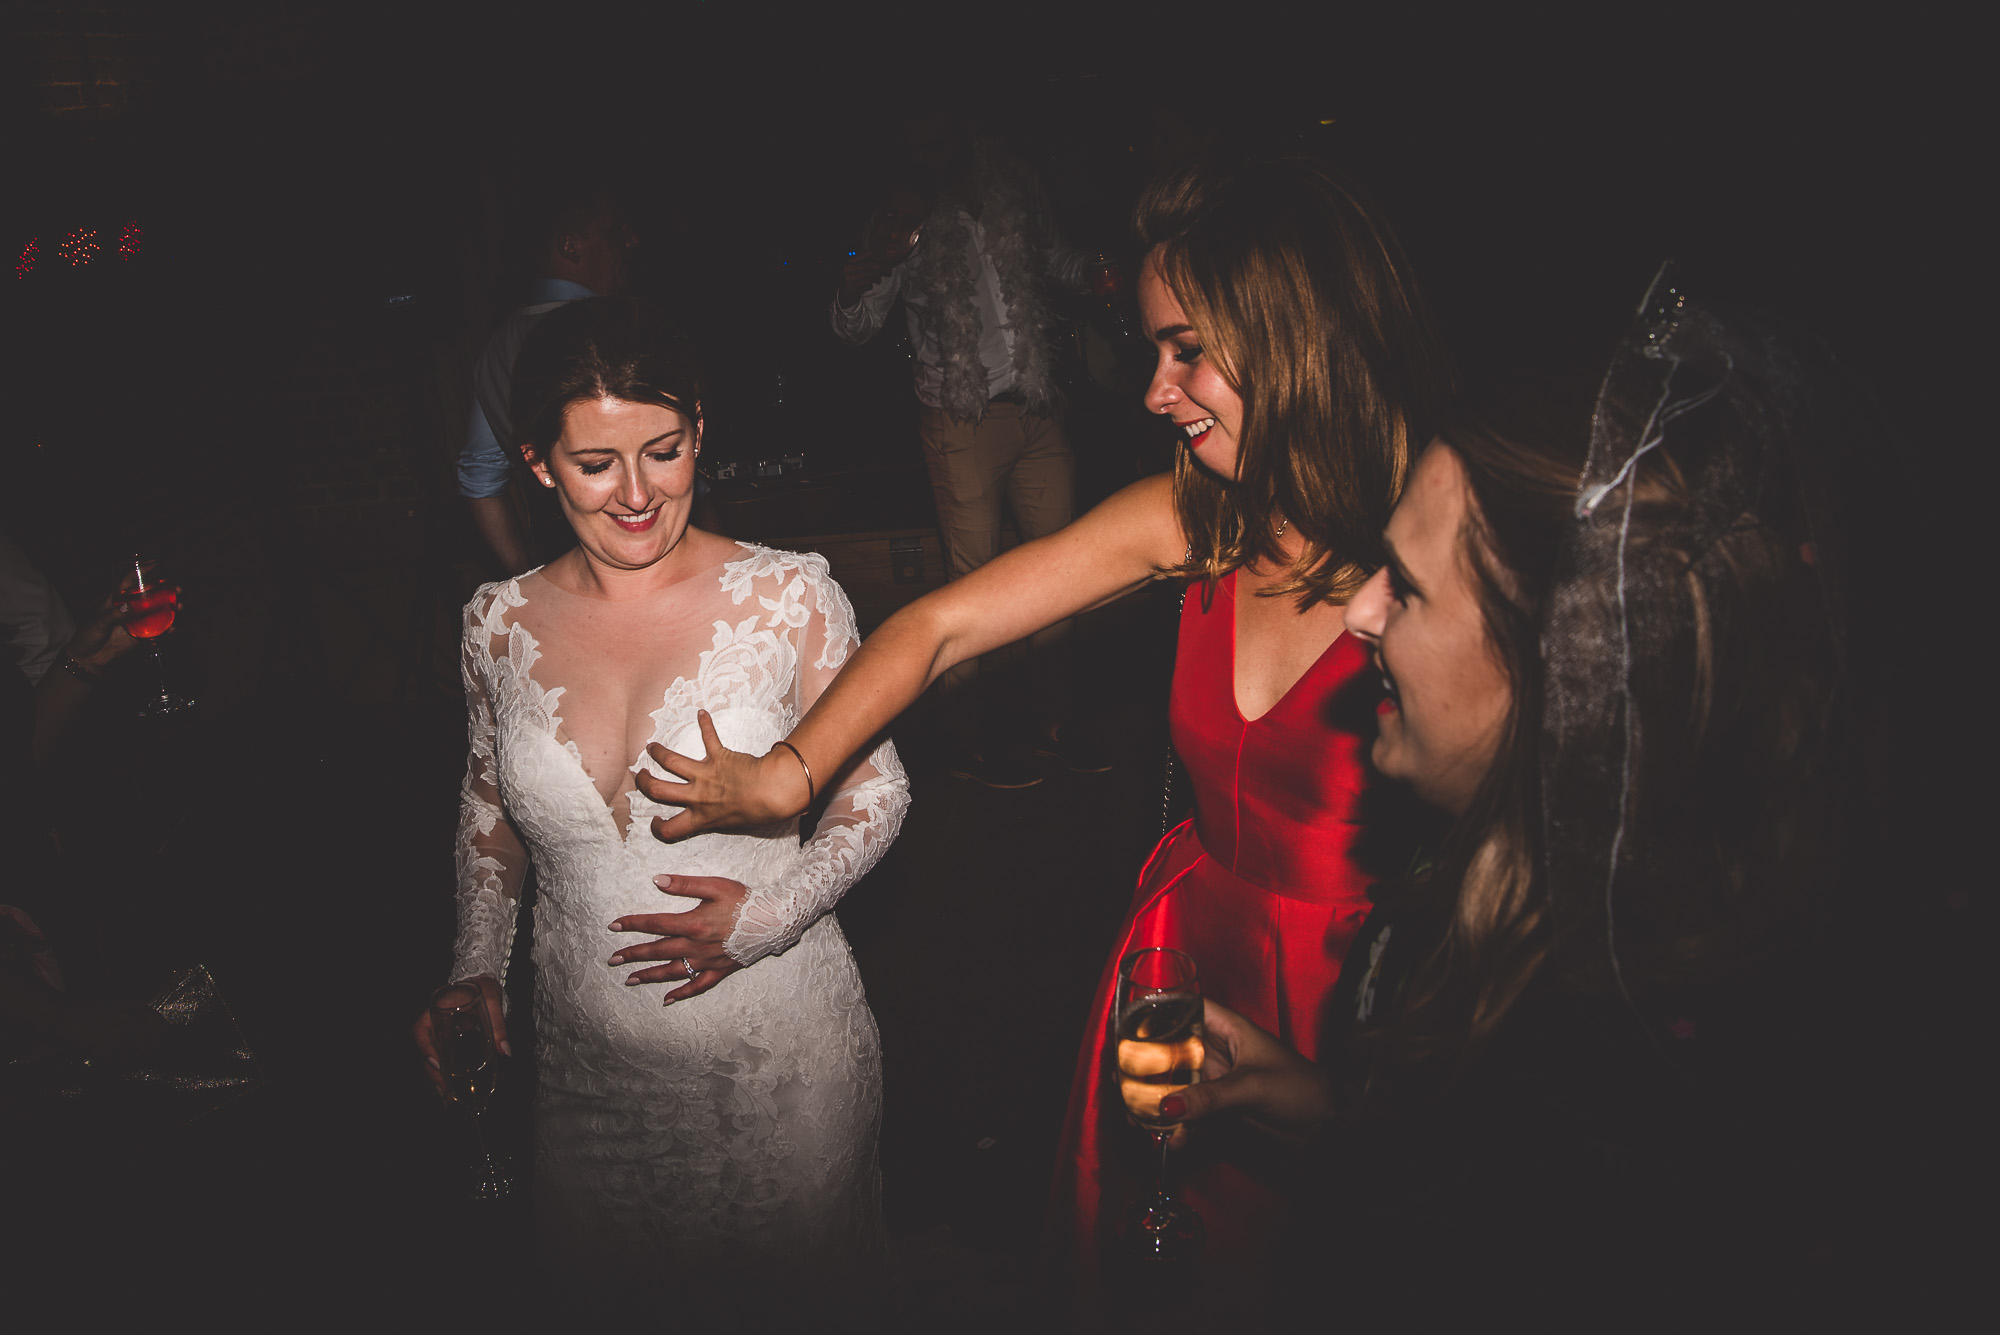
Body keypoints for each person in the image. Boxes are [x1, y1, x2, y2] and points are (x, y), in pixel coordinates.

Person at [648, 150, 1450, 1299]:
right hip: (1183, 955)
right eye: (1151, 352)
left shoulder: (1431, 560)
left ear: (1292, 339)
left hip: (1359, 996)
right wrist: (791, 774)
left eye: (1188, 353)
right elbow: (939, 626)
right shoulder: (1195, 514)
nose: (1154, 391)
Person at [1159, 271, 1859, 1322]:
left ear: (1557, 661)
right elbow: (1438, 1190)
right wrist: (1312, 1106)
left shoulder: (1613, 1088)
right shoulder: (1521, 907)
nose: (1357, 614)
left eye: (1408, 584)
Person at [413, 296, 910, 1318]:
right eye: (596, 464)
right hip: (586, 1077)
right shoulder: (495, 623)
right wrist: (473, 962)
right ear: (539, 464)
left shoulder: (790, 598)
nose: (636, 494)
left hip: (778, 1061)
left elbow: (877, 789)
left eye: (665, 450)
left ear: (698, 430)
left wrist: (767, 919)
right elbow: (486, 806)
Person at [831, 120, 1099, 786]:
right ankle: (966, 742)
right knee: (972, 585)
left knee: (1064, 574)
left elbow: (1056, 260)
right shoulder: (903, 215)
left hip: (1039, 408)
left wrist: (1099, 271)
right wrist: (856, 279)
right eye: (918, 139)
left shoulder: (1013, 186)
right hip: (959, 421)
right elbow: (857, 326)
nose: (934, 149)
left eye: (942, 132)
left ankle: (1056, 725)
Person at [457, 185, 639, 576]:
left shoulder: (499, 343)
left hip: (564, 564)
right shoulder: (615, 328)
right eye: (613, 231)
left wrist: (527, 581)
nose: (631, 241)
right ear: (570, 246)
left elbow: (479, 476)